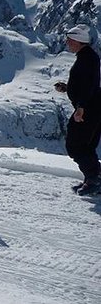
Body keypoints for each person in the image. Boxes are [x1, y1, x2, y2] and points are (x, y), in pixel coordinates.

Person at [54, 24, 101, 195]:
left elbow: (89, 85)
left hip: (88, 109)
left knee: (75, 146)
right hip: (92, 106)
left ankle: (94, 180)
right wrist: (68, 88)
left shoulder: (87, 59)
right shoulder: (87, 57)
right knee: (86, 146)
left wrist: (81, 107)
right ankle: (94, 178)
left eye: (69, 40)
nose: (67, 43)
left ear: (78, 41)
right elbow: (85, 84)